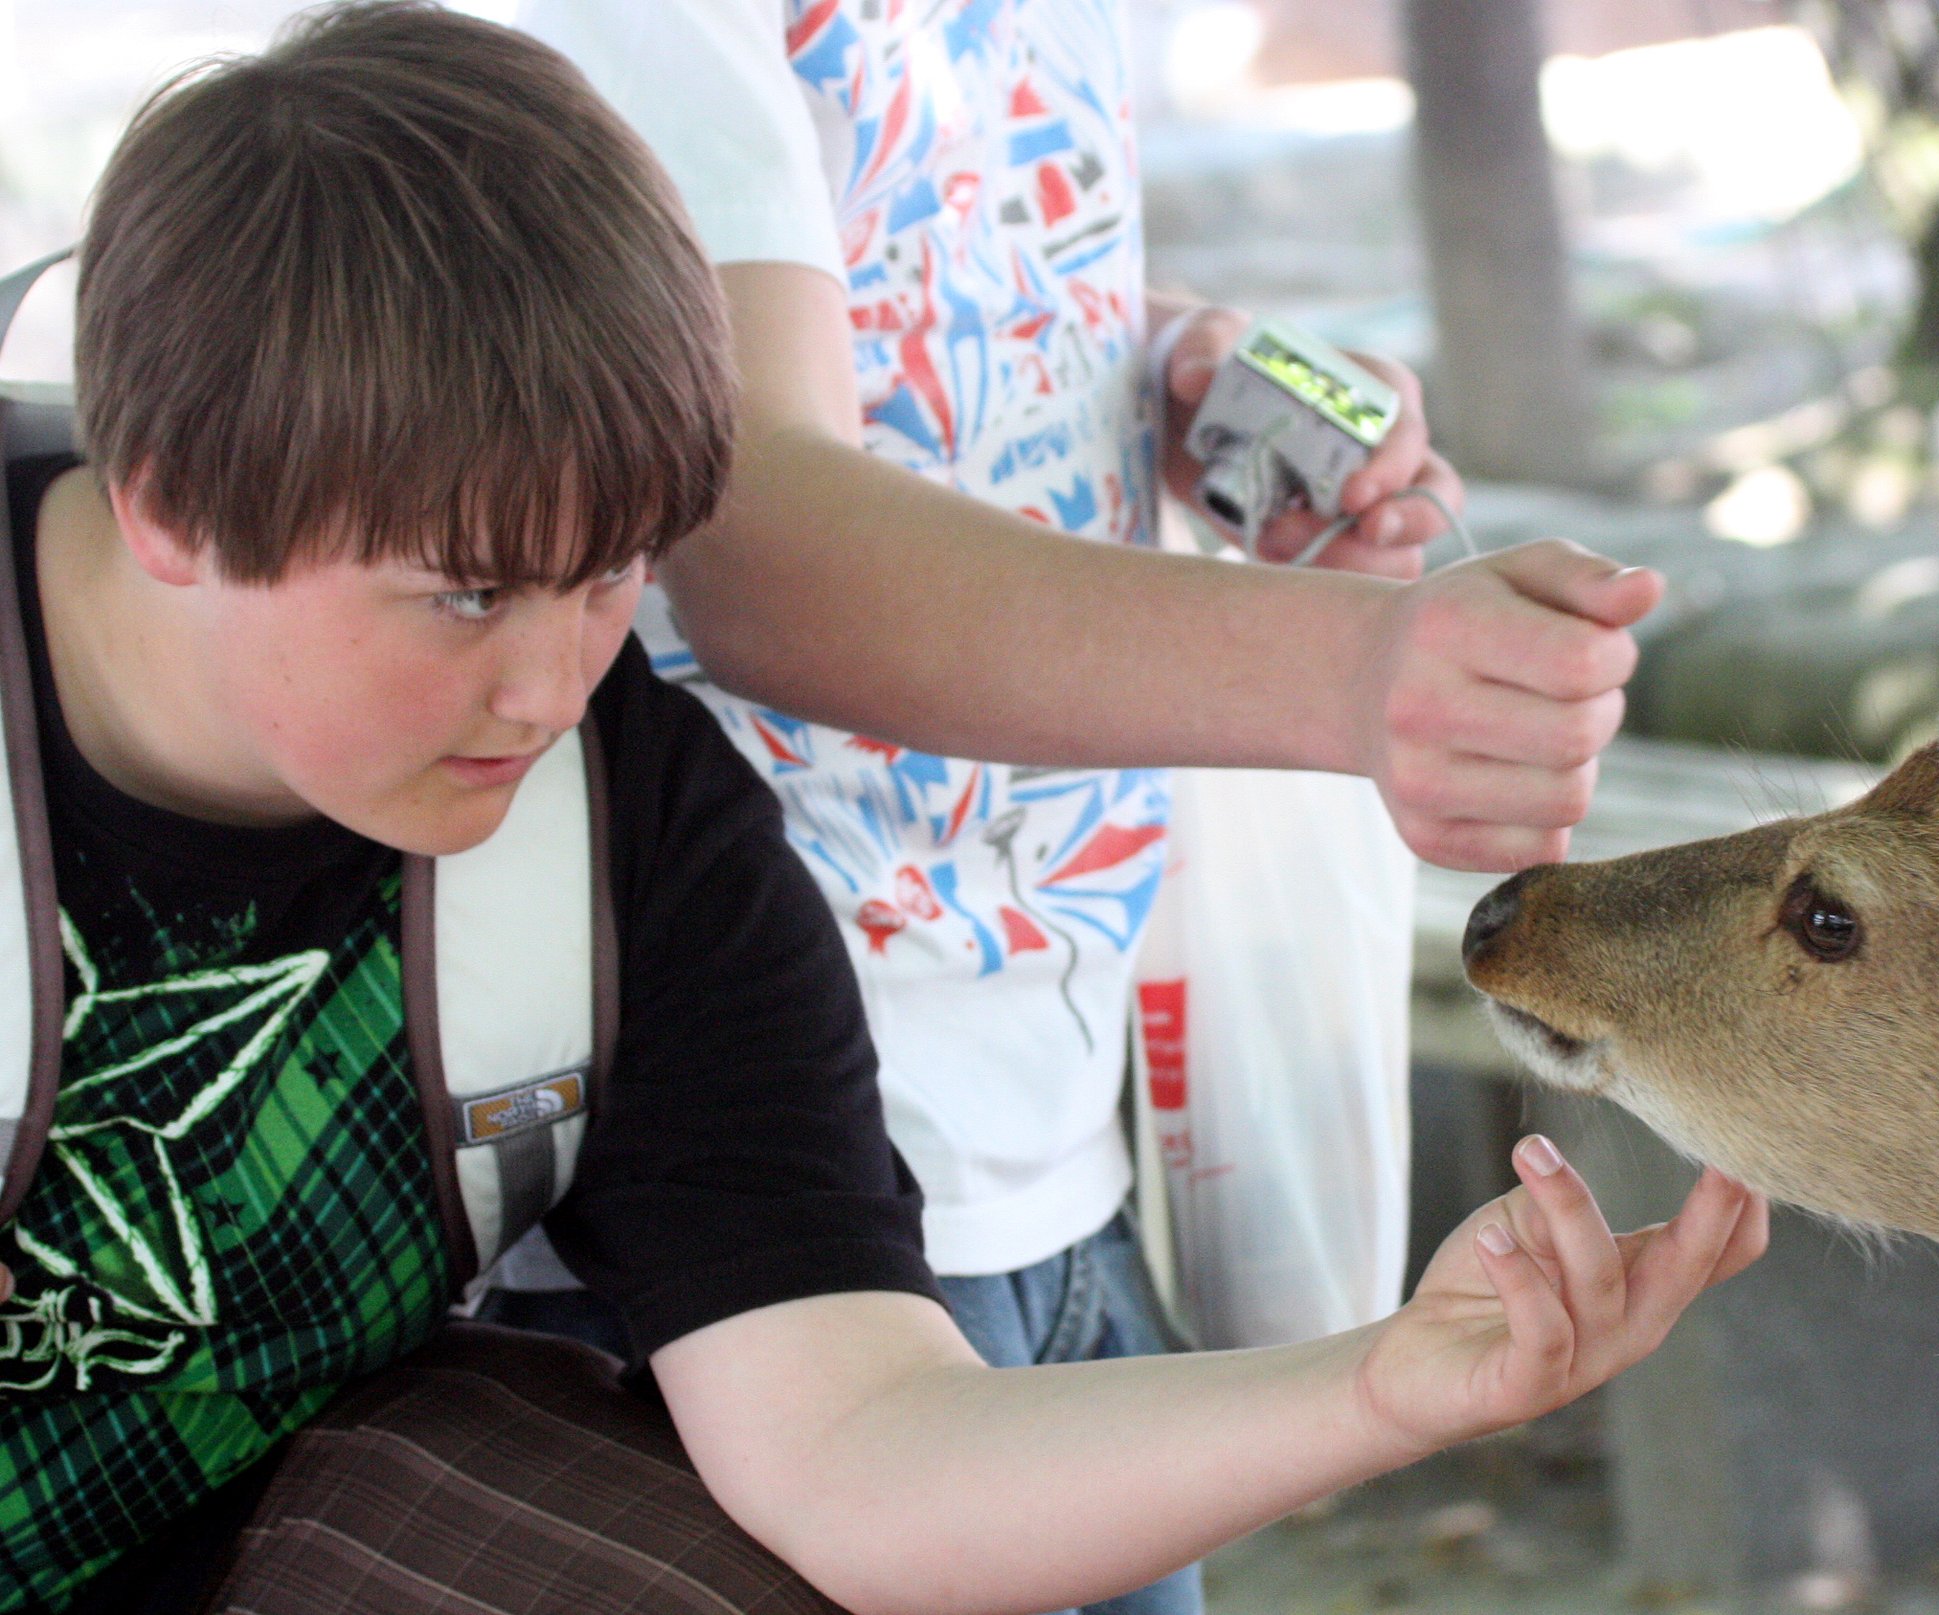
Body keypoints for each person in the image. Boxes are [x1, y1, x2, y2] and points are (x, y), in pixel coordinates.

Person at [0, 8, 1765, 1614]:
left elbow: (856, 1453)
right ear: (168, 500)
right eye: (465, 594)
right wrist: (1351, 673)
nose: (552, 688)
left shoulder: (625, 829)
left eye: (614, 574)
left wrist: (1391, 1382)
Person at [503, 14, 1668, 1607]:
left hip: (1059, 1129)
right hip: (763, 1199)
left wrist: (1176, 366)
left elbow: (928, 279)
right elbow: (748, 524)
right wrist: (1352, 676)